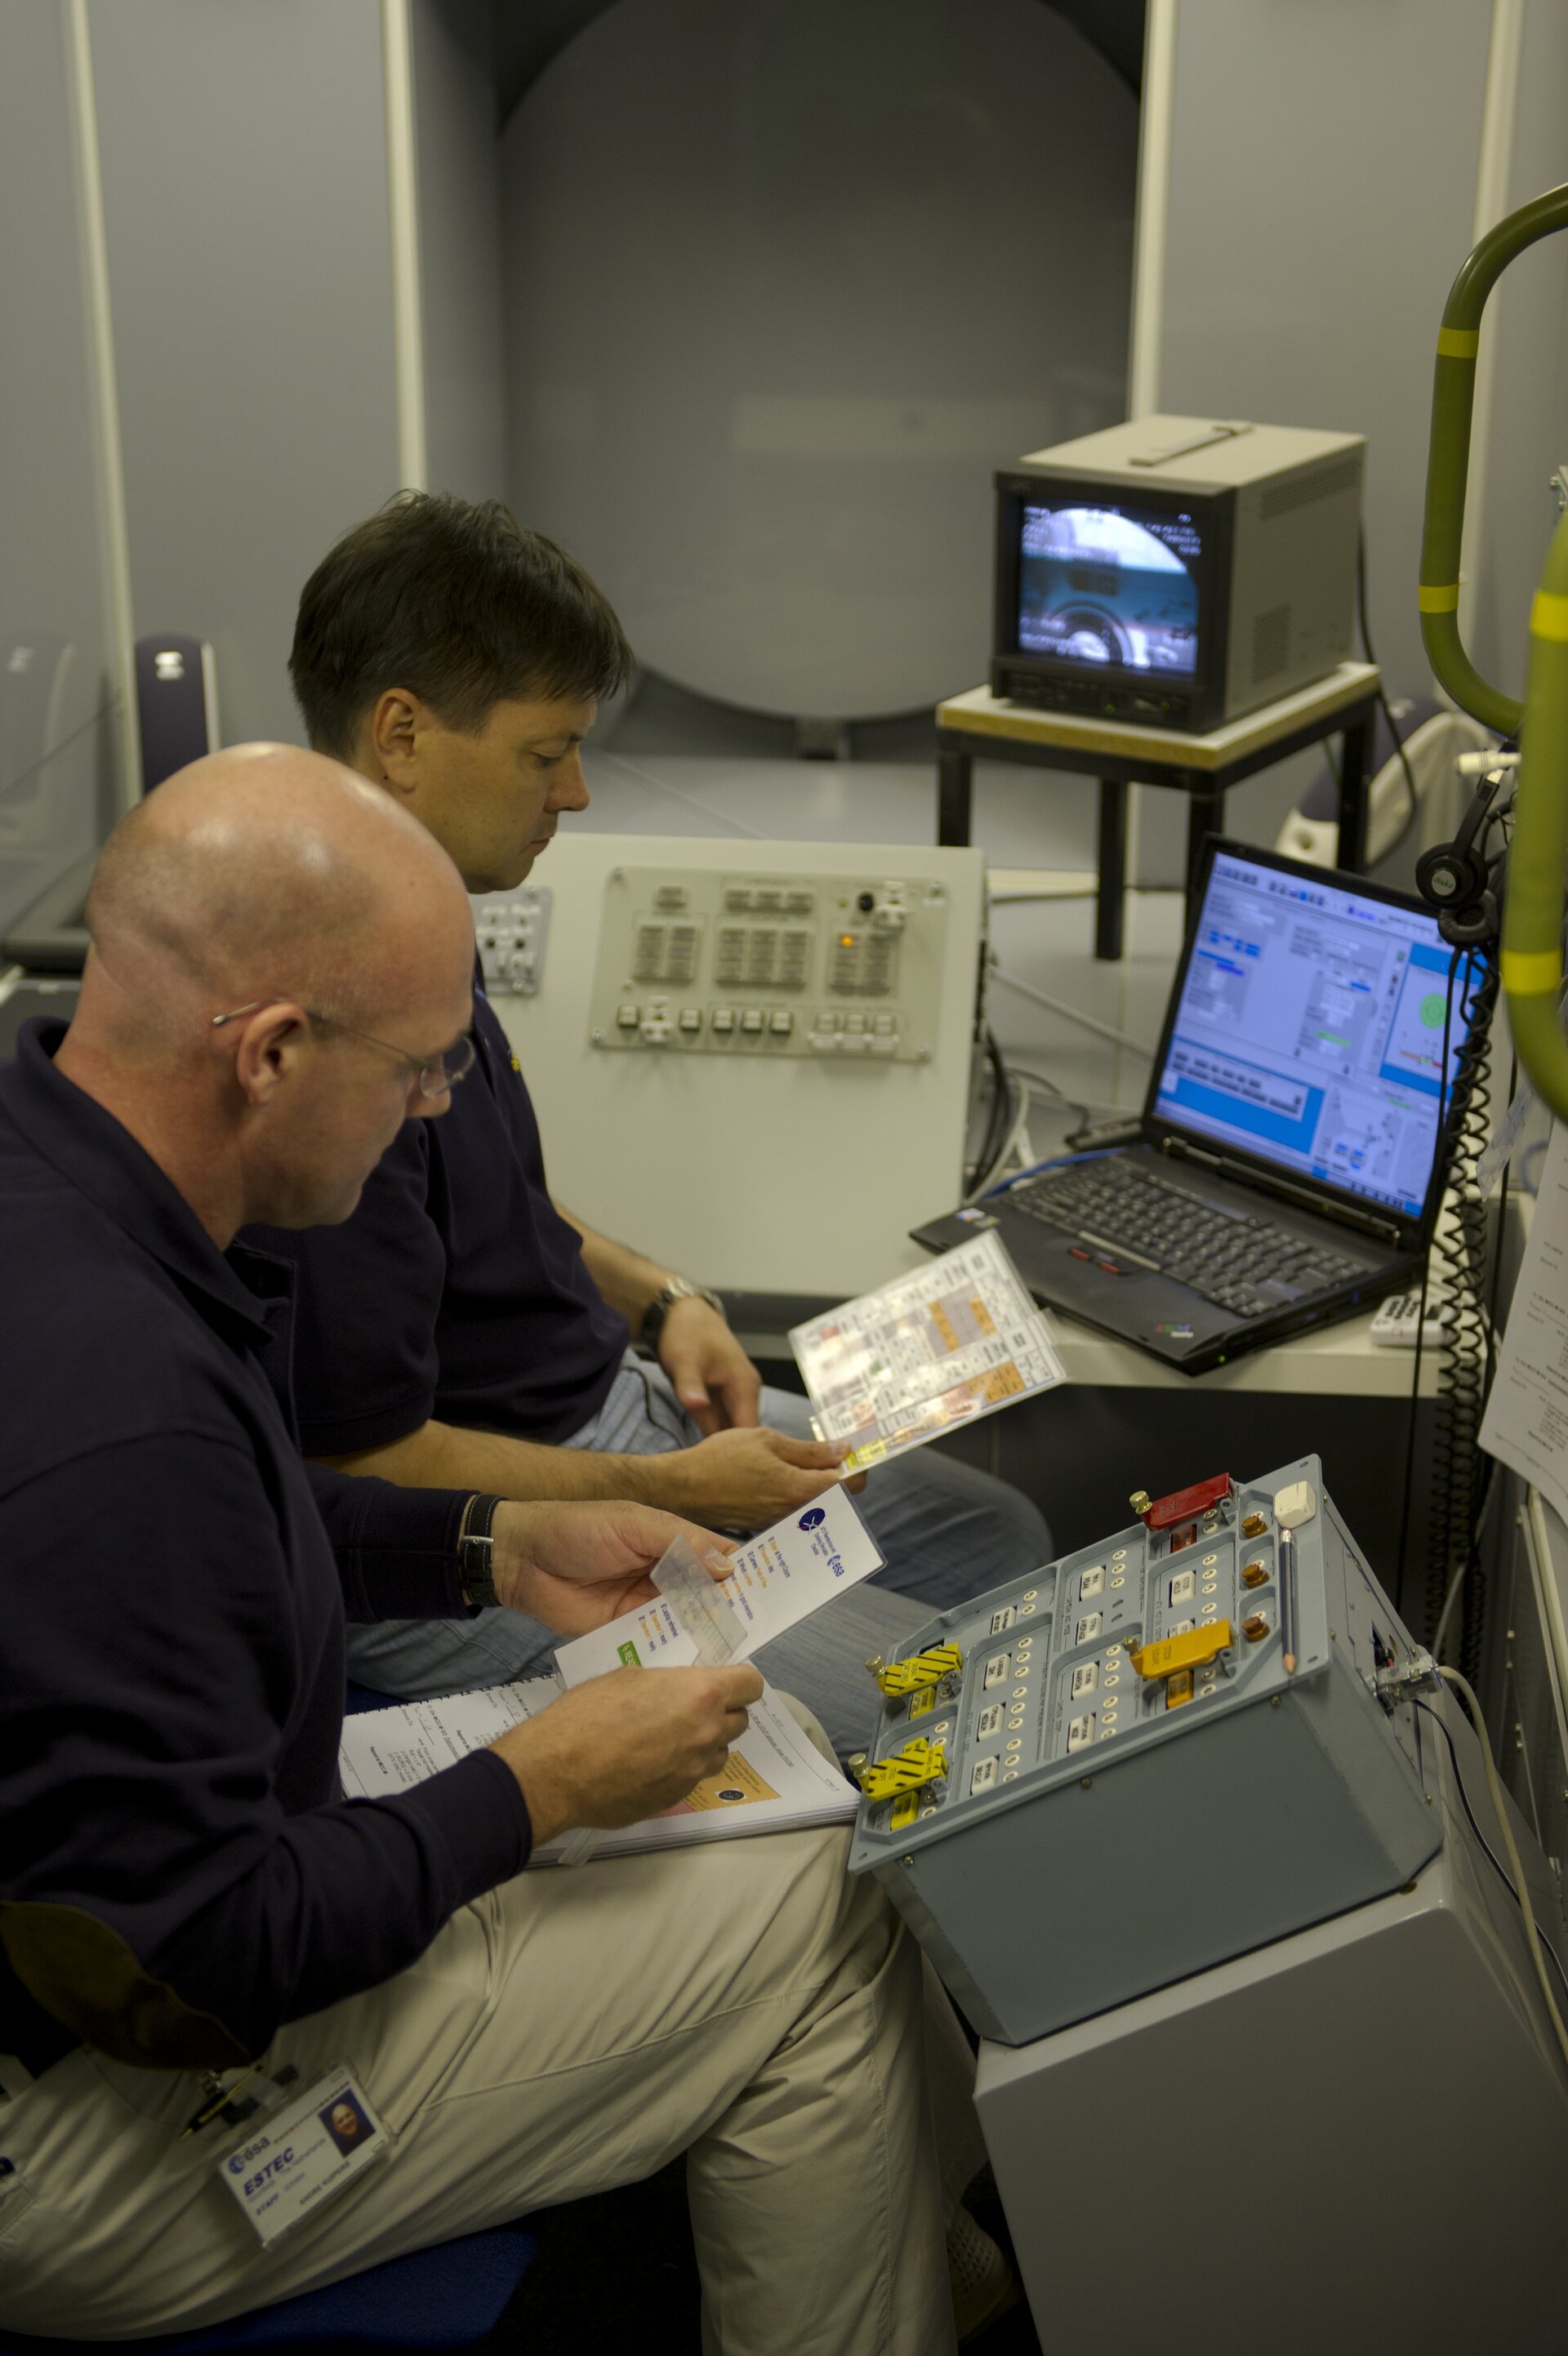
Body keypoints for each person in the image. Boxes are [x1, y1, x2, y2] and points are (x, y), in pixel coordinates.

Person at [0, 748, 996, 2349]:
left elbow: (236, 1525)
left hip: (125, 1922)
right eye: (417, 1071)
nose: (436, 1107)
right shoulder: (126, 1411)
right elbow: (194, 1961)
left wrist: (493, 1546)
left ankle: (935, 2248)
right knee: (819, 1894)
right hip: (84, 2132)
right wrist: (540, 1789)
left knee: (780, 1793)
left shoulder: (57, 1167)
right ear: (266, 1055)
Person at [251, 493, 1053, 1751]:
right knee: (934, 1713)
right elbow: (369, 1464)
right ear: (401, 734)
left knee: (999, 1532)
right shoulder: (319, 1020)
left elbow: (490, 1195)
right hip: (470, 1519)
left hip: (605, 1410)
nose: (574, 790)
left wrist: (662, 1297)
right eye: (542, 752)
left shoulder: (423, 910)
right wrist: (666, 1488)